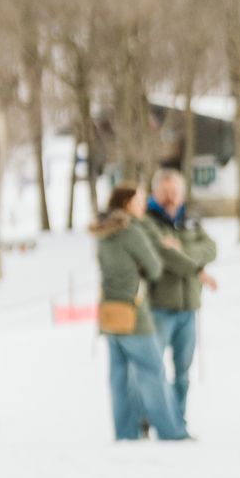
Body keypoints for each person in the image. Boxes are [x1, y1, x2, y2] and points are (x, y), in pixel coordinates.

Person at [92, 182, 189, 442]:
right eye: (139, 200)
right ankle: (172, 431)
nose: (143, 205)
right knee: (153, 372)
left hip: (110, 312)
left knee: (119, 378)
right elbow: (155, 267)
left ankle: (126, 434)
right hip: (133, 312)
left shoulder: (103, 232)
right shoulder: (131, 231)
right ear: (126, 204)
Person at [145, 167, 218, 433]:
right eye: (165, 192)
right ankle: (151, 418)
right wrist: (196, 267)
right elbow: (165, 258)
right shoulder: (149, 220)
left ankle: (177, 419)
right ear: (155, 192)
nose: (170, 197)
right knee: (154, 367)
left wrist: (183, 251)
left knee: (183, 372)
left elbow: (211, 248)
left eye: (174, 191)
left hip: (189, 306)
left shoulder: (190, 219)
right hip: (159, 306)